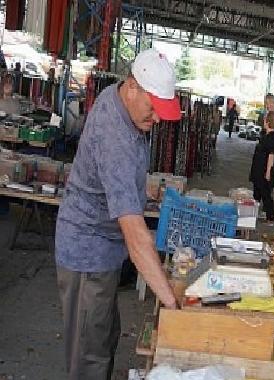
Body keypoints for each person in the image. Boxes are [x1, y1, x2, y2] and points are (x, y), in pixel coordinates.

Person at [55, 49, 181, 380]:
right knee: (89, 355)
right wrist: (170, 301)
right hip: (88, 253)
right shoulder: (115, 137)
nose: (156, 119)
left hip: (105, 249)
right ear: (133, 86)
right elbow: (135, 234)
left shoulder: (121, 101)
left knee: (105, 336)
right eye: (153, 108)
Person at [250, 111, 274, 226]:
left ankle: (270, 218)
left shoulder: (273, 138)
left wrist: (268, 172)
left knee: (266, 194)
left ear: (268, 122)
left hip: (264, 170)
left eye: (264, 120)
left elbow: (271, 156)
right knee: (256, 193)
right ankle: (253, 214)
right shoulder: (266, 136)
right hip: (258, 170)